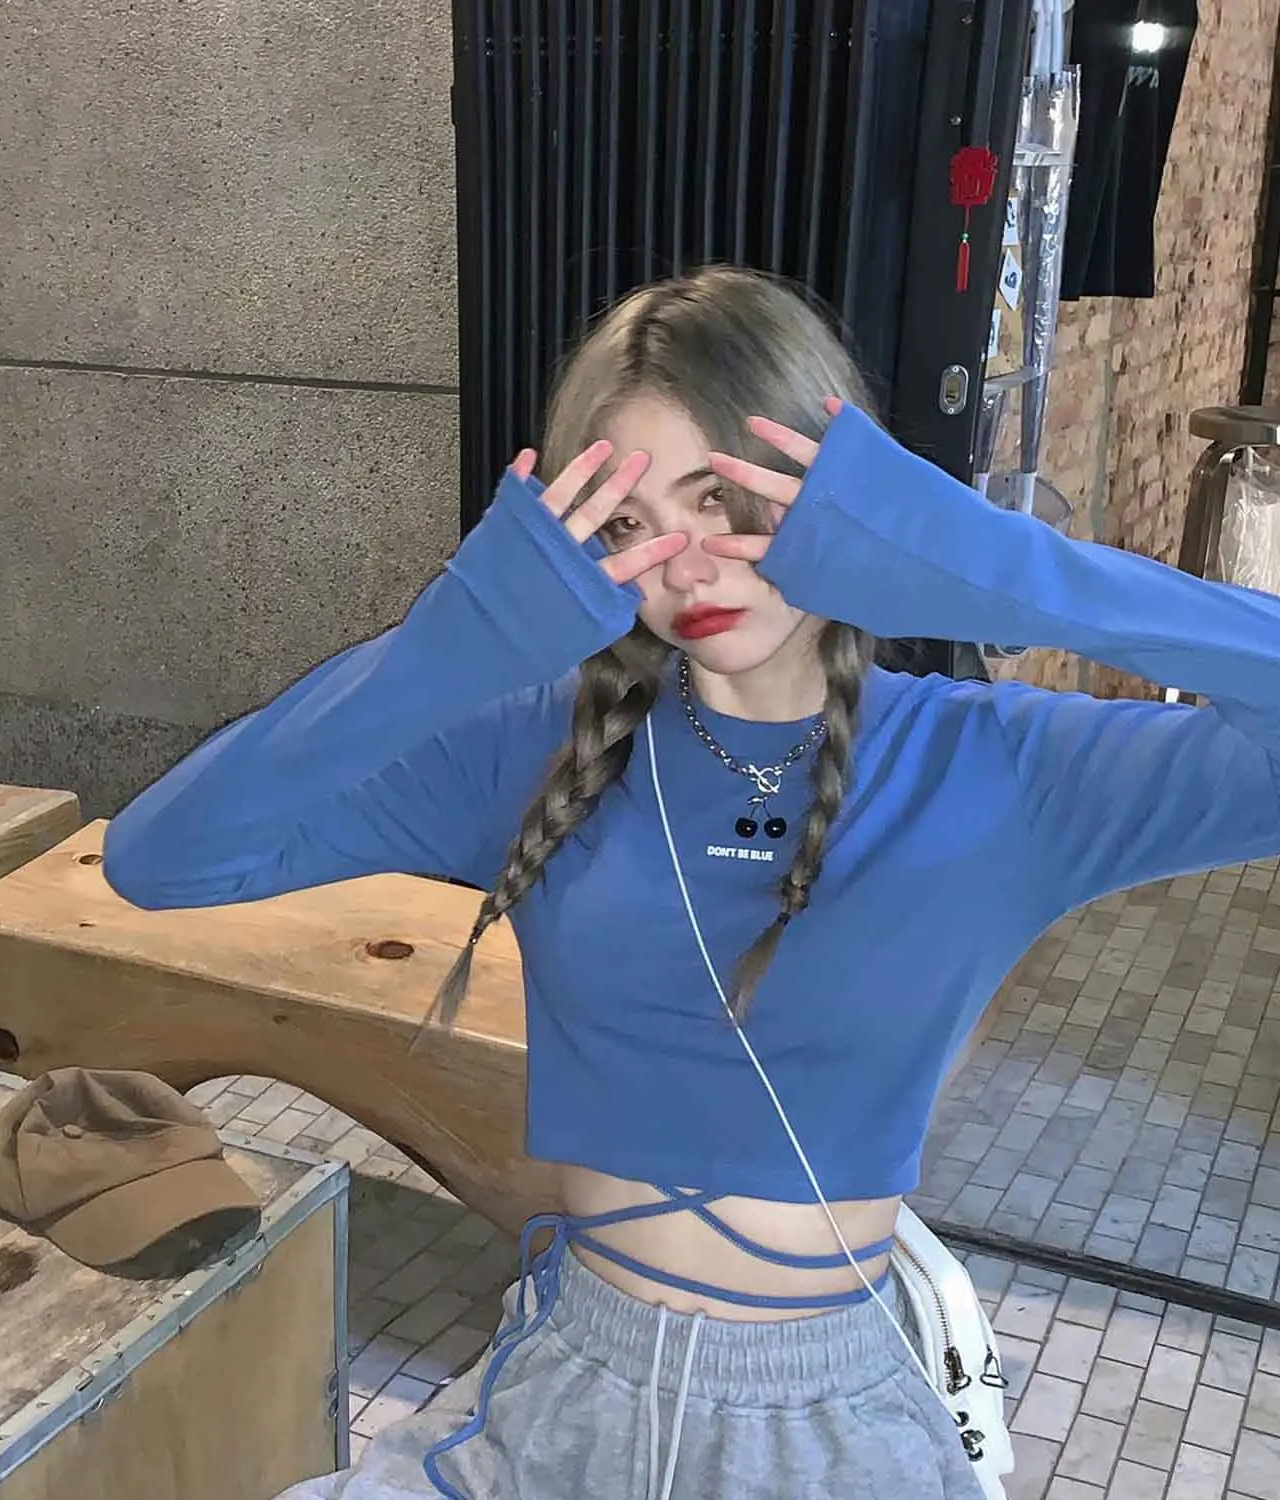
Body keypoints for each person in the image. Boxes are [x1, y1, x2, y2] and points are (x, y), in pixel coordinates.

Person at [102, 266, 1280, 1500]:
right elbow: (162, 861)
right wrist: (439, 650)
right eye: (627, 527)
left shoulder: (1001, 768)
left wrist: (1013, 572)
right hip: (565, 1391)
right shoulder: (541, 747)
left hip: (830, 1433)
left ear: (841, 499)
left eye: (721, 499)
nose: (686, 567)